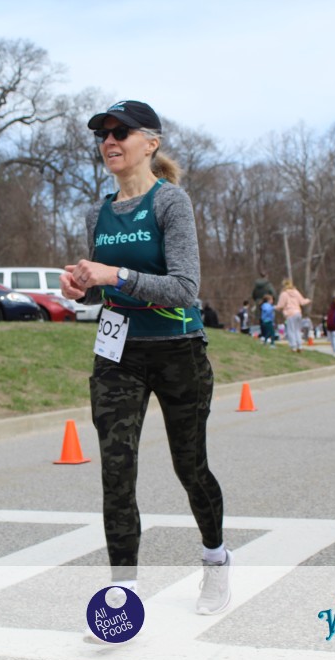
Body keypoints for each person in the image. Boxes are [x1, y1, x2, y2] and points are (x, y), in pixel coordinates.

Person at [61, 100, 231, 616]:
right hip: (118, 354)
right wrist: (82, 289)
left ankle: (216, 560)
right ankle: (122, 595)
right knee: (116, 472)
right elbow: (102, 290)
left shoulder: (169, 202)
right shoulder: (97, 213)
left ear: (150, 143)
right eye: (103, 135)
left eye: (121, 133)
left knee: (190, 466)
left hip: (179, 349)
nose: (109, 142)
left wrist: (114, 275)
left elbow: (184, 288)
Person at [276, 278, 311, 353]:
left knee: (291, 330)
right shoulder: (296, 292)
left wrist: (274, 307)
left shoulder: (284, 294)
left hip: (290, 314)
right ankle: (300, 346)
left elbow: (281, 305)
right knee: (297, 330)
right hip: (298, 313)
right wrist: (308, 300)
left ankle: (293, 346)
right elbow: (302, 302)